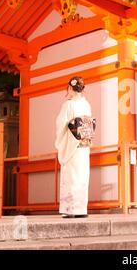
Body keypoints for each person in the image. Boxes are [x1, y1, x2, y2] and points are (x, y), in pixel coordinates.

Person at [55, 76, 92, 218]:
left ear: (70, 88)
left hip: (71, 145)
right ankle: (81, 209)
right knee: (82, 176)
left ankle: (70, 209)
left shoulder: (68, 105)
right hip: (84, 145)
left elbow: (60, 126)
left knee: (71, 177)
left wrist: (60, 142)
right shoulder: (86, 104)